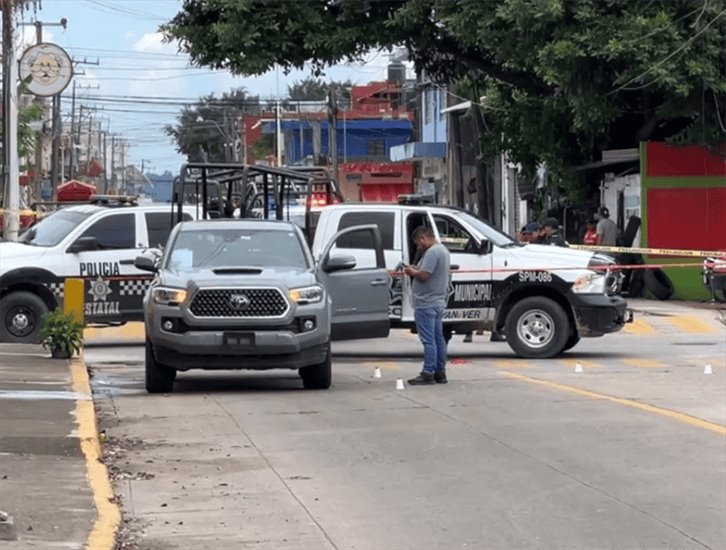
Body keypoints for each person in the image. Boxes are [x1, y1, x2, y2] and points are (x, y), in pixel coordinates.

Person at [403, 226, 451, 385]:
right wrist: (418, 269)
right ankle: (440, 372)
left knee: (428, 340)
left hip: (426, 302)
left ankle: (428, 371)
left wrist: (412, 271)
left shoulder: (432, 252)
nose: (418, 246)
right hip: (437, 302)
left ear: (424, 237)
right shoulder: (443, 250)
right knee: (438, 338)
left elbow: (424, 275)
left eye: (418, 243)